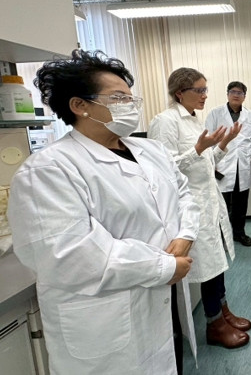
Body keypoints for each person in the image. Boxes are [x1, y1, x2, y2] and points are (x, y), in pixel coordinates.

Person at [7, 50, 199, 375]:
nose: (131, 106)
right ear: (79, 105)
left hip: (162, 298)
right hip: (106, 320)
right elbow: (69, 253)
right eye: (119, 98)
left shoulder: (150, 150)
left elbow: (183, 194)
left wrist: (185, 234)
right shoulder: (48, 169)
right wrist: (163, 266)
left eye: (131, 98)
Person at [148, 68, 251, 349]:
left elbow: (207, 162)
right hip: (190, 207)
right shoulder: (165, 122)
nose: (205, 95)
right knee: (207, 267)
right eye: (199, 90)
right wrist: (197, 149)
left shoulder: (195, 121)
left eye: (206, 89)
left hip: (209, 202)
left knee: (217, 262)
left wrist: (223, 144)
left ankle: (224, 311)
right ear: (179, 92)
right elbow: (162, 171)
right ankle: (214, 324)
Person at [205, 81, 251, 247]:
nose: (236, 95)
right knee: (221, 204)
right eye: (233, 92)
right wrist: (211, 160)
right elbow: (208, 138)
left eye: (240, 93)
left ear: (244, 96)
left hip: (242, 165)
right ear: (227, 94)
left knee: (240, 204)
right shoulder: (215, 113)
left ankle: (239, 233)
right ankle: (221, 237)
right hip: (221, 163)